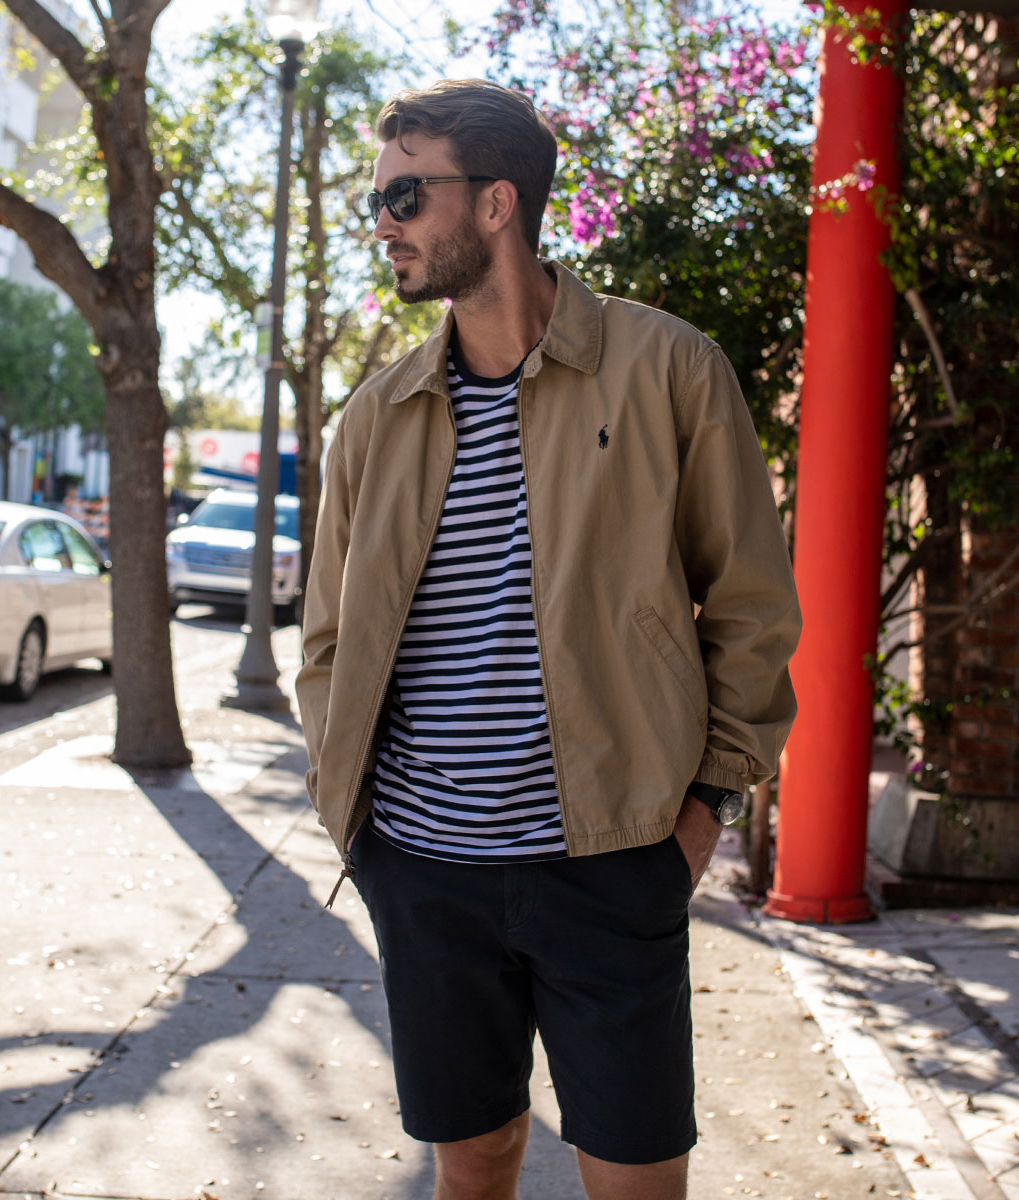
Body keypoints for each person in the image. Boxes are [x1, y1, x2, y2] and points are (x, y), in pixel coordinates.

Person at [297, 79, 801, 1200]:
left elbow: (755, 610)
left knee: (634, 1178)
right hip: (423, 868)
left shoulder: (668, 369)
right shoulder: (376, 418)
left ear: (494, 204)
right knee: (470, 1164)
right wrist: (367, 835)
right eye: (380, 200)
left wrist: (698, 817)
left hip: (612, 864)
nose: (385, 225)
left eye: (404, 196)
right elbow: (327, 638)